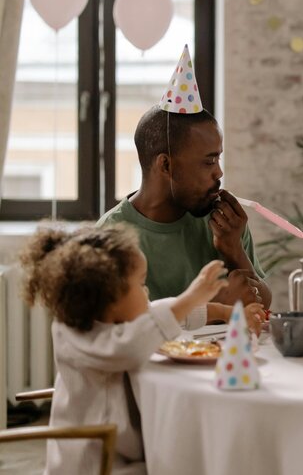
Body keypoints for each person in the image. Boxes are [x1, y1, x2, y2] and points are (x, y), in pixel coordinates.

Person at [19, 225, 231, 474]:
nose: (146, 291)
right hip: (97, 463)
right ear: (109, 296)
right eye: (141, 283)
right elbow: (129, 346)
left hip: (124, 453)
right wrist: (190, 298)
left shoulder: (107, 319)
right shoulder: (73, 335)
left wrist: (222, 312)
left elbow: (154, 313)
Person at [98, 46, 271, 323]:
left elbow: (262, 303)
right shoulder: (110, 236)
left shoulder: (224, 223)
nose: (219, 172)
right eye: (208, 161)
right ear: (166, 165)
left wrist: (234, 250)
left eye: (218, 159)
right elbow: (123, 332)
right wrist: (217, 306)